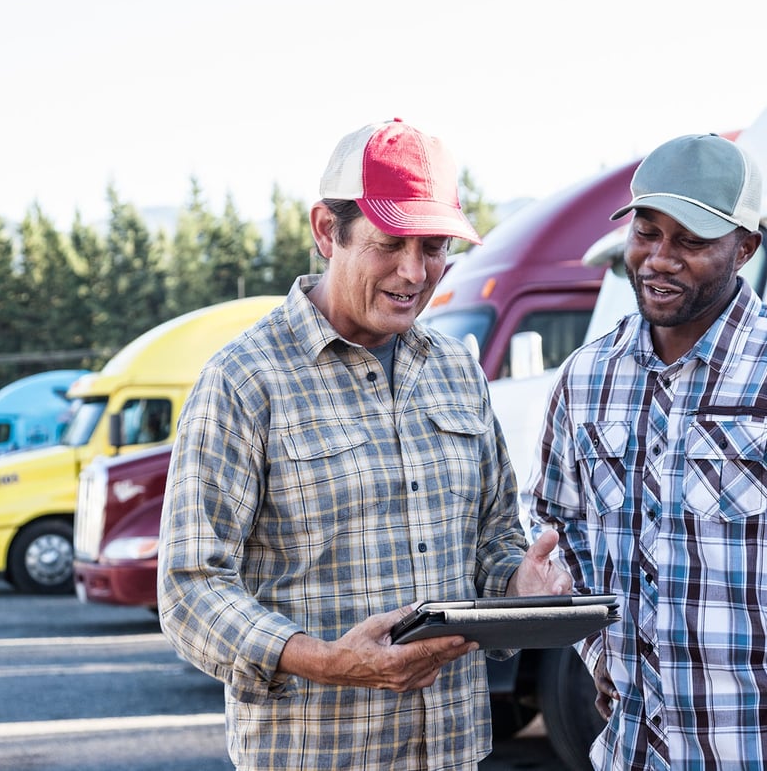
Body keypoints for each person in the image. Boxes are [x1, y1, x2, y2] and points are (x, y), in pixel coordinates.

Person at [157, 118, 571, 771]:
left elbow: (493, 539)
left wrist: (521, 584)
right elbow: (190, 590)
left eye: (433, 246)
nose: (415, 271)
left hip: (454, 752)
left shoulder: (457, 371)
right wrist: (327, 661)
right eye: (390, 243)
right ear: (327, 230)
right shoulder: (244, 380)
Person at [523, 133, 766, 770]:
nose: (660, 259)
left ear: (745, 247)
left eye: (690, 241)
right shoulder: (587, 376)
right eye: (647, 233)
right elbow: (557, 522)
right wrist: (597, 647)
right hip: (630, 750)